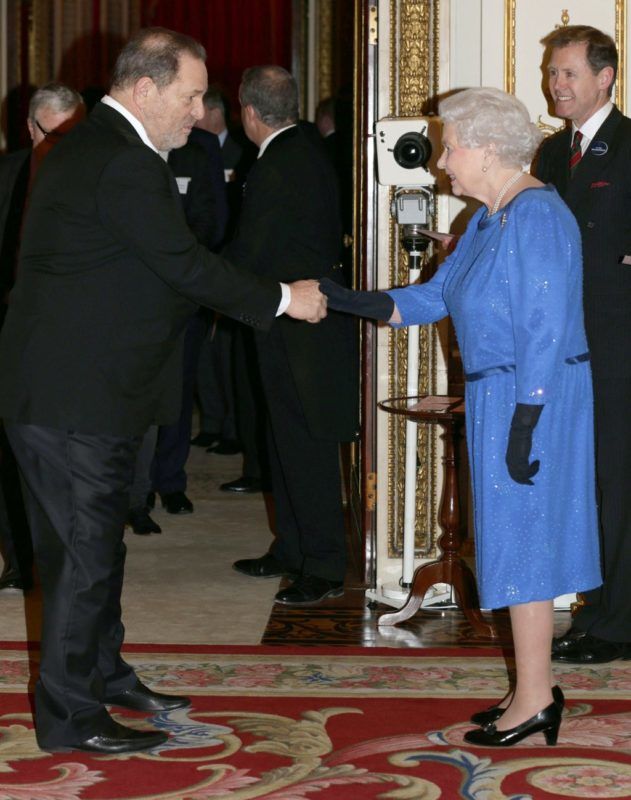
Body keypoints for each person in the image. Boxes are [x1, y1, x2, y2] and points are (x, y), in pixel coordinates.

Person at [0, 27, 325, 755]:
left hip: (83, 389)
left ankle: (104, 674)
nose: (198, 110)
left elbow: (142, 271)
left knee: (96, 550)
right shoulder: (117, 160)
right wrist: (280, 298)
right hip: (73, 397)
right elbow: (181, 264)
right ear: (143, 89)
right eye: (187, 96)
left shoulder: (99, 148)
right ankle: (71, 717)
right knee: (82, 558)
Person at [322, 87, 602, 747]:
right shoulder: (486, 218)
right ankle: (530, 690)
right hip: (500, 396)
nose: (443, 161)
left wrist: (526, 421)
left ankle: (534, 701)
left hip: (532, 396)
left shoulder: (536, 216)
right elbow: (430, 298)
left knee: (526, 544)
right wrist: (344, 300)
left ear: (483, 146)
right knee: (512, 541)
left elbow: (544, 326)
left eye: (450, 146)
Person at [228, 66, 358, 605]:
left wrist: (200, 285)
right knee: (286, 440)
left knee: (305, 446)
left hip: (304, 327)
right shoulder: (301, 149)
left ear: (248, 112)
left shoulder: (279, 164)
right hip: (294, 320)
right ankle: (293, 548)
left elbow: (249, 251)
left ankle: (323, 565)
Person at [535, 25, 631, 666]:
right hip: (563, 345)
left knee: (620, 482)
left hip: (619, 342)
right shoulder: (548, 154)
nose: (556, 84)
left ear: (605, 78)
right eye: (551, 72)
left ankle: (619, 623)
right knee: (588, 481)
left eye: (568, 73)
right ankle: (597, 609)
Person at [0, 83, 85, 591]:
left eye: (68, 133)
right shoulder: (6, 175)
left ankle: (69, 557)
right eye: (49, 133)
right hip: (10, 334)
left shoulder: (95, 177)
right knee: (11, 452)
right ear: (30, 128)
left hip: (71, 342)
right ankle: (19, 557)